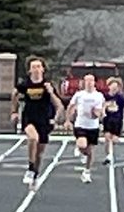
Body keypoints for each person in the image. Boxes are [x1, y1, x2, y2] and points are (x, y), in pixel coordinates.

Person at [10, 57, 66, 189]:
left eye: (38, 66)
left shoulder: (47, 85)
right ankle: (30, 168)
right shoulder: (25, 84)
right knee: (32, 138)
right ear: (29, 70)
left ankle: (35, 174)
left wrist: (55, 116)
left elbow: (59, 105)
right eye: (33, 67)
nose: (36, 69)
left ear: (43, 69)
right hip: (29, 117)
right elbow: (14, 94)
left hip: (44, 119)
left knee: (39, 154)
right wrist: (14, 111)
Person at [65, 73, 104, 183]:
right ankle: (80, 149)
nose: (89, 83)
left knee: (90, 151)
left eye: (91, 80)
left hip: (93, 126)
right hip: (80, 124)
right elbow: (71, 107)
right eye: (87, 80)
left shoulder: (99, 96)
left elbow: (100, 111)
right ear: (83, 82)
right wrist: (68, 120)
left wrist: (97, 114)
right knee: (82, 145)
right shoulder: (79, 95)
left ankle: (87, 172)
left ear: (94, 82)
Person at [101, 76, 124, 166]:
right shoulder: (105, 97)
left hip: (117, 120)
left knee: (114, 139)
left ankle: (110, 153)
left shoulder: (120, 98)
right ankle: (108, 156)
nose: (114, 89)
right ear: (109, 86)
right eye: (112, 86)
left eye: (116, 87)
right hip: (107, 119)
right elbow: (102, 106)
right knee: (107, 138)